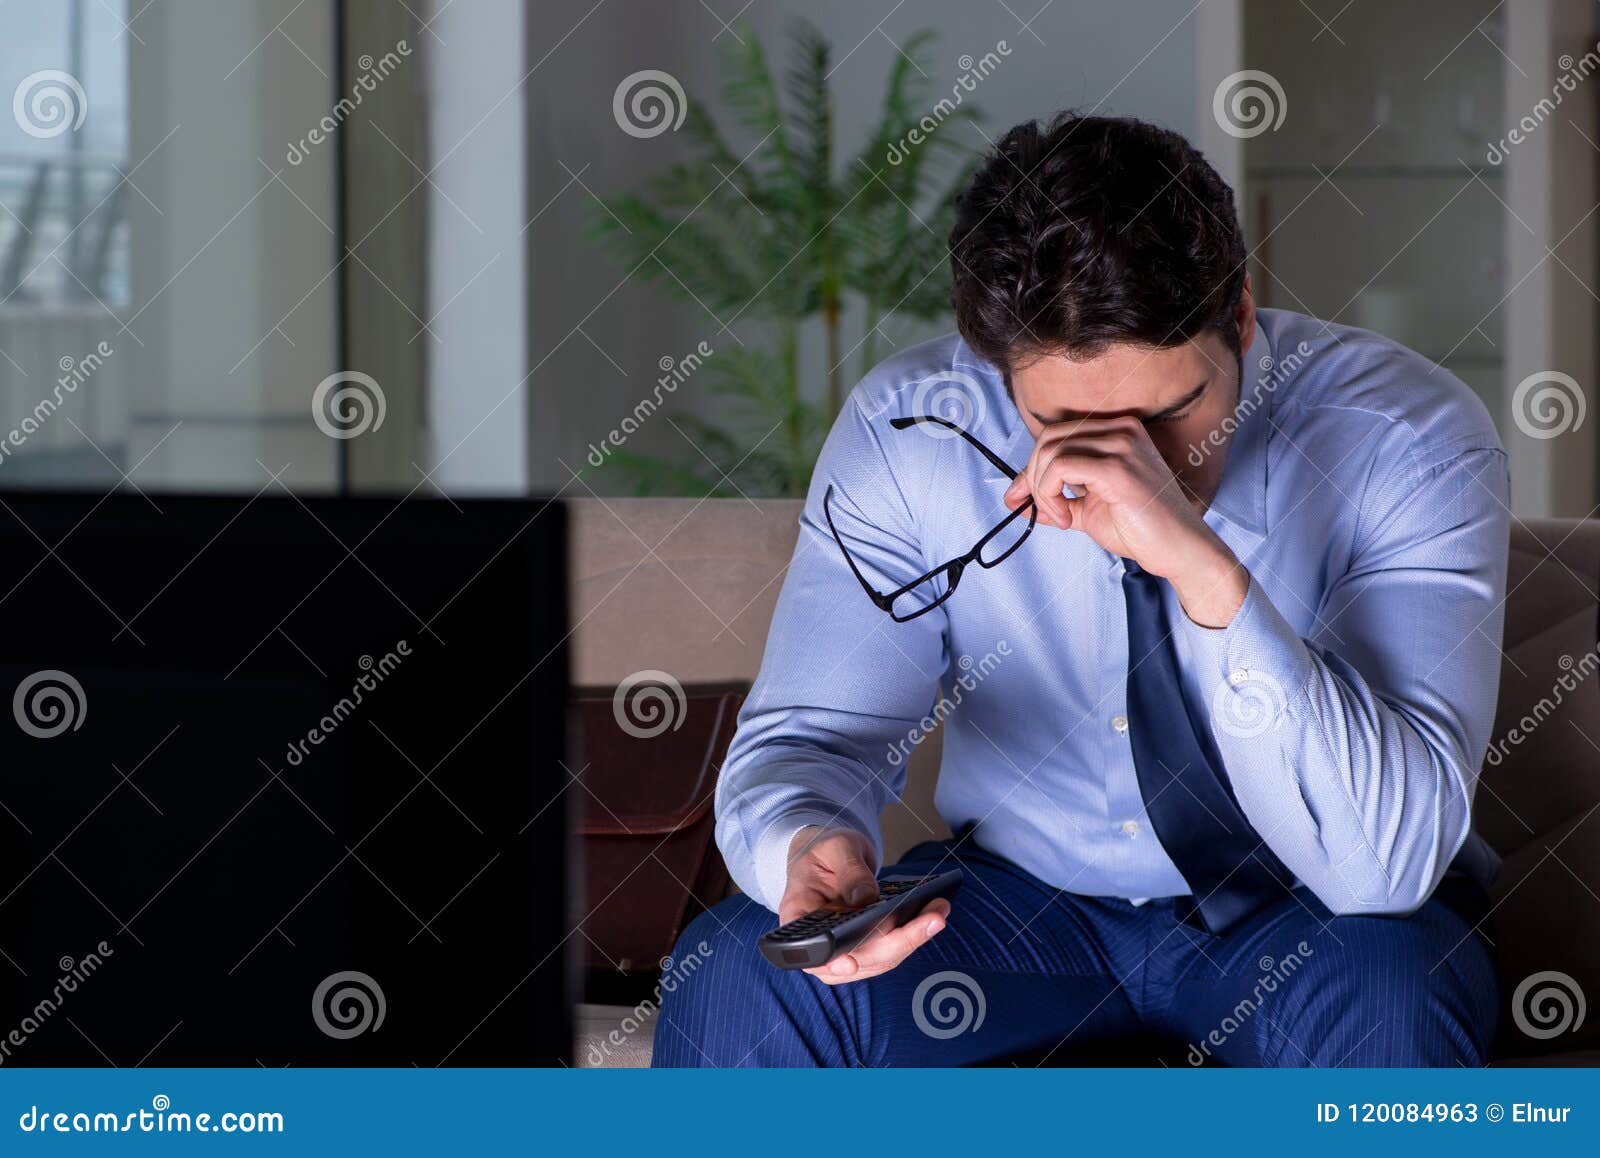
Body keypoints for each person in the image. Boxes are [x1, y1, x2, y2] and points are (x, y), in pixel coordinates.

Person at [652, 112, 1507, 1067]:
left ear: (1244, 315)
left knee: (1391, 1006)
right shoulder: (911, 437)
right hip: (1021, 912)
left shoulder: (1407, 434)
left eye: (1174, 411)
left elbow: (1383, 870)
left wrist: (1203, 571)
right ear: (996, 368)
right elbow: (813, 737)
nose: (1130, 464)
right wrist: (808, 839)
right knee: (737, 972)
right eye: (1065, 424)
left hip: (1313, 921)